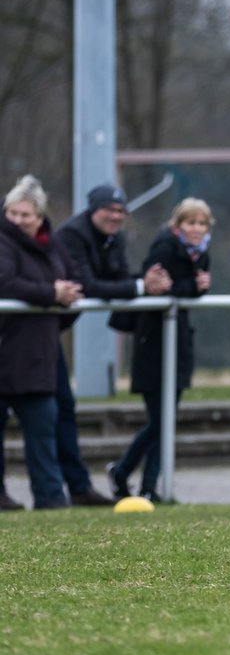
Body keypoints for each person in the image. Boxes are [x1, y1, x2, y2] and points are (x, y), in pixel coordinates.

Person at [53, 184, 172, 506]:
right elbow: (89, 286)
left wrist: (149, 285)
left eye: (121, 211)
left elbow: (118, 277)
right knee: (47, 411)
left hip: (47, 335)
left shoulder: (114, 238)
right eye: (110, 210)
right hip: (27, 334)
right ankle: (57, 489)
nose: (117, 216)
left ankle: (77, 488)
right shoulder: (71, 235)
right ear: (93, 209)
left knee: (62, 410)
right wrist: (139, 285)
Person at [107, 198, 212, 503]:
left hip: (178, 342)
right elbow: (161, 287)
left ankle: (148, 487)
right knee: (160, 420)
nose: (196, 228)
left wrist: (202, 285)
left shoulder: (202, 251)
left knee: (167, 420)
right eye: (190, 222)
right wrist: (193, 286)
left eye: (202, 223)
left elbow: (189, 288)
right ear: (177, 225)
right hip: (153, 344)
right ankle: (124, 472)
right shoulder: (165, 247)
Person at [0, 175, 84, 510]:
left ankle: (50, 499)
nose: (18, 221)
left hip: (38, 355)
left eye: (26, 215)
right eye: (12, 213)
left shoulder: (53, 243)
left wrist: (61, 302)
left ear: (40, 217)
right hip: (5, 348)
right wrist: (51, 294)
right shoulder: (2, 242)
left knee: (43, 433)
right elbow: (5, 283)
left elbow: (74, 280)